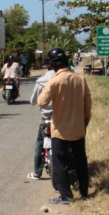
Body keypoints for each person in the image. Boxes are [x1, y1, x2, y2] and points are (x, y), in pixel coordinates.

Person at [37, 47, 91, 204]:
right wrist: (85, 122)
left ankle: (66, 196)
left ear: (53, 64)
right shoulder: (80, 80)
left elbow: (42, 102)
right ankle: (84, 191)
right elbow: (88, 105)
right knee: (81, 160)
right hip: (78, 128)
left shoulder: (54, 81)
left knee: (60, 163)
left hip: (60, 130)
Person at [27, 59, 56, 180]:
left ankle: (37, 172)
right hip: (60, 118)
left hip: (46, 118)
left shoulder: (41, 81)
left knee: (40, 142)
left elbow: (33, 101)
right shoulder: (64, 79)